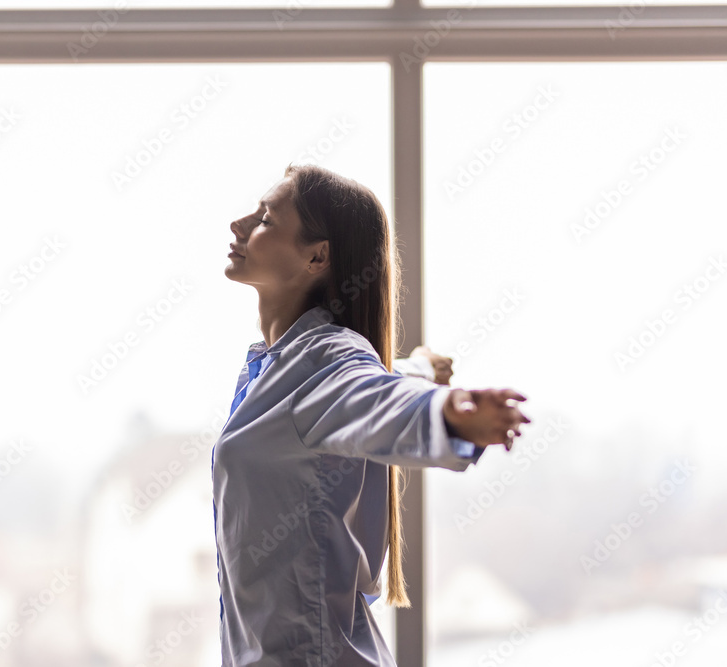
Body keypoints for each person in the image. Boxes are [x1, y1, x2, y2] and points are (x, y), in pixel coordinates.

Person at [214, 163, 530, 666]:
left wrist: (447, 414)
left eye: (266, 219)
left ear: (317, 256)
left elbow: (372, 395)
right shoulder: (280, 366)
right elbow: (368, 387)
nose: (240, 225)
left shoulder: (325, 358)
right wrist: (422, 368)